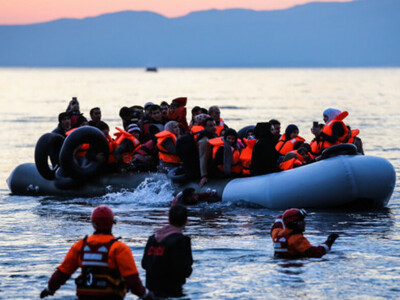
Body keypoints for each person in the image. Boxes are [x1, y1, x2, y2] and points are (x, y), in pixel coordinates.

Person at [40, 205, 152, 299]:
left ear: (93, 224)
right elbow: (132, 281)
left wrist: (49, 289)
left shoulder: (80, 246)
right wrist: (147, 296)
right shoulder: (119, 248)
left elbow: (62, 273)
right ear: (112, 223)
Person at [142, 204, 193, 298]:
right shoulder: (181, 241)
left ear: (168, 220)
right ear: (186, 221)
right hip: (172, 292)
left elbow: (144, 264)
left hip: (151, 292)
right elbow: (185, 270)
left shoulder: (152, 239)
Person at [270, 208, 339, 258]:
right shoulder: (297, 239)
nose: (304, 222)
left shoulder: (277, 234)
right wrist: (329, 242)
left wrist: (282, 216)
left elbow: (277, 225)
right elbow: (315, 253)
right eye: (302, 220)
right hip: (295, 269)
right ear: (294, 223)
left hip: (281, 266)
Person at [197, 118, 218, 187]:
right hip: (208, 168)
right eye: (211, 126)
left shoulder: (214, 135)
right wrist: (204, 176)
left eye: (214, 125)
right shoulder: (204, 141)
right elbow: (203, 158)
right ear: (205, 127)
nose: (214, 127)